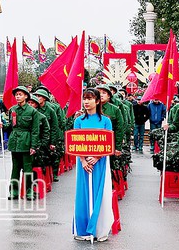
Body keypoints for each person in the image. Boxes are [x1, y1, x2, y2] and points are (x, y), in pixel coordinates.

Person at [73, 88, 114, 242]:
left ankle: (99, 230)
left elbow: (108, 142)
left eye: (90, 98)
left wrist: (97, 156)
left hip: (101, 162)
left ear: (97, 101)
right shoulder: (79, 121)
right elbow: (74, 144)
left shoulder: (105, 121)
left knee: (99, 193)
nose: (86, 102)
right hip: (82, 163)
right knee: (83, 193)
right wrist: (83, 160)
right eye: (84, 98)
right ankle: (83, 230)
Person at [0, 86, 41, 201]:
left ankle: (29, 191)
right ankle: (14, 191)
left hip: (27, 141)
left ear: (26, 96)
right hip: (15, 141)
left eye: (20, 94)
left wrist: (33, 146)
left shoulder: (32, 111)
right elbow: (12, 126)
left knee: (27, 169)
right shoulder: (13, 110)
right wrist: (3, 126)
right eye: (16, 95)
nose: (18, 96)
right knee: (15, 169)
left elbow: (35, 131)